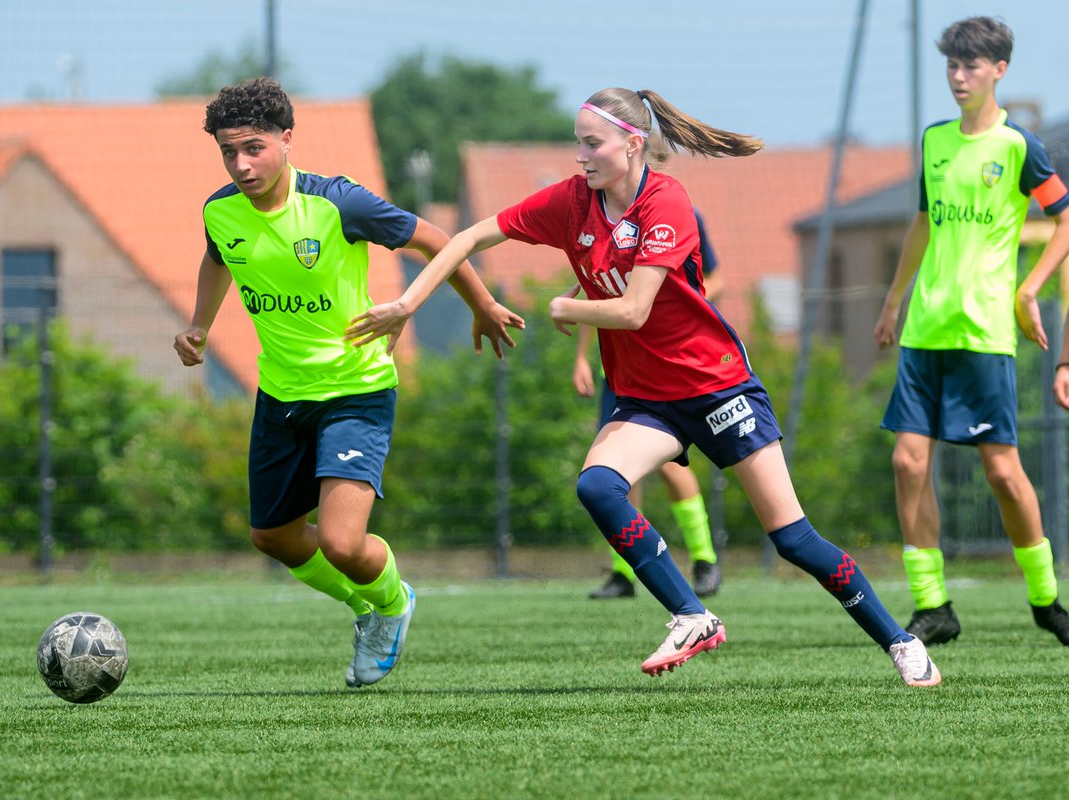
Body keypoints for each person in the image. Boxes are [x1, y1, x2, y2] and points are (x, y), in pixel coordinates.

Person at [347, 86, 941, 686]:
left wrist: (565, 308)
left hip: (718, 388)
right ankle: (692, 614)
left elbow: (633, 310)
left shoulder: (667, 201)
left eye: (591, 143)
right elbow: (470, 237)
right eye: (577, 142)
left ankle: (900, 641)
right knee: (598, 488)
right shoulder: (573, 203)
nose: (580, 156)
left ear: (633, 144)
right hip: (648, 399)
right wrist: (406, 303)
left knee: (794, 540)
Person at [173, 77, 524, 688]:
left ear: (286, 139)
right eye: (228, 152)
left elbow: (437, 241)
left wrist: (482, 304)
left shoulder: (339, 203)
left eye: (253, 148)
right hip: (281, 396)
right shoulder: (218, 210)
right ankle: (365, 604)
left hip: (355, 392)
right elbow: (216, 257)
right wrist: (199, 327)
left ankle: (390, 604)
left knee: (340, 542)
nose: (241, 164)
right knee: (272, 537)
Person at [874, 17, 1069, 647]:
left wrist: (1028, 287)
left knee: (1004, 475)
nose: (959, 77)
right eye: (952, 66)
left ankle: (1045, 598)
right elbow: (924, 223)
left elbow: (1064, 220)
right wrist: (894, 298)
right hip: (924, 330)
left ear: (999, 70)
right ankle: (933, 606)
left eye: (971, 66)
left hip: (984, 336)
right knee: (908, 462)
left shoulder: (1019, 147)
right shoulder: (934, 141)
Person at [576, 210, 723, 600]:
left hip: (666, 369)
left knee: (672, 467)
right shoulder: (598, 220)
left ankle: (704, 560)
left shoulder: (677, 215)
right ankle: (623, 572)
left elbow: (715, 276)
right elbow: (598, 296)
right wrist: (580, 357)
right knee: (616, 472)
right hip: (620, 374)